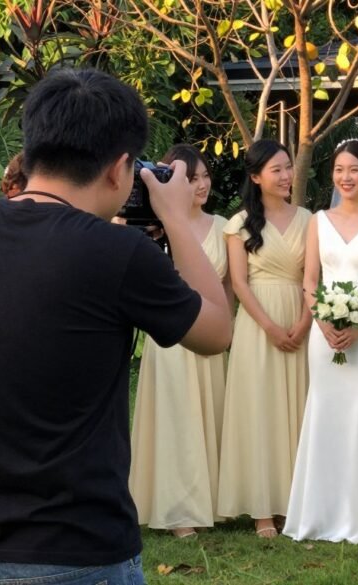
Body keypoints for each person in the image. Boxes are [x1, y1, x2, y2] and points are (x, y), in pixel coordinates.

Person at [0, 68, 233, 584]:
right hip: (77, 551)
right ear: (119, 169)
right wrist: (177, 219)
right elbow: (216, 331)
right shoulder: (117, 253)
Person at [283, 138, 358, 546]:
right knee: (325, 411)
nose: (345, 177)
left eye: (354, 169)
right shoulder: (318, 219)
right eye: (338, 169)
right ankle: (321, 513)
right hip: (324, 335)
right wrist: (324, 321)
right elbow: (310, 280)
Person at [129, 144, 233, 538]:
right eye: (192, 178)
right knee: (177, 418)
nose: (201, 184)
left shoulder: (225, 226)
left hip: (212, 335)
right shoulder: (156, 230)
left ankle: (214, 501)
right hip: (172, 336)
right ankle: (178, 510)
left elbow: (227, 286)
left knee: (211, 413)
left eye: (205, 176)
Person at [218, 140, 311, 539]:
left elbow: (315, 278)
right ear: (256, 177)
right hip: (258, 326)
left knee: (300, 409)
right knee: (261, 410)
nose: (286, 175)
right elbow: (238, 283)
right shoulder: (238, 224)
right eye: (276, 169)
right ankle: (261, 511)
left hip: (301, 318)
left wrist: (305, 322)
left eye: (288, 167)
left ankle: (296, 501)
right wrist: (271, 328)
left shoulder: (310, 219)